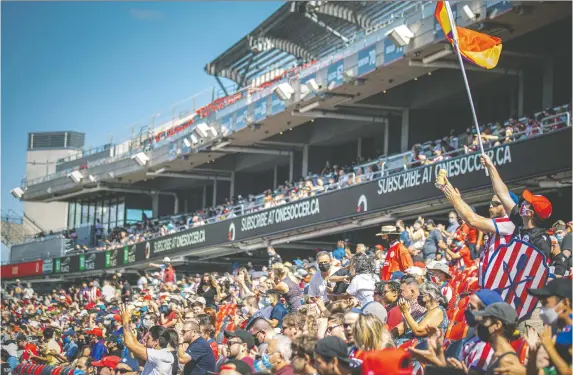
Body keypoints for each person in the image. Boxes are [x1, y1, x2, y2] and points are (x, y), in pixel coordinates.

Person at [481, 154, 552, 256]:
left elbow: (537, 269)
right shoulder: (519, 220)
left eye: (527, 202)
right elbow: (502, 193)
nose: (522, 203)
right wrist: (490, 165)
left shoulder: (541, 241)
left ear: (530, 213)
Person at [470, 303, 524, 374]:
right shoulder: (497, 355)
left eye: (484, 321)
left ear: (497, 325)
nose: (481, 324)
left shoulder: (506, 361)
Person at [120, 305, 174, 375]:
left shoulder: (160, 355)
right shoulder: (159, 352)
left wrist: (125, 320)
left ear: (156, 341)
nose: (145, 339)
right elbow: (136, 345)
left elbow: (129, 344)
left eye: (148, 338)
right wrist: (133, 337)